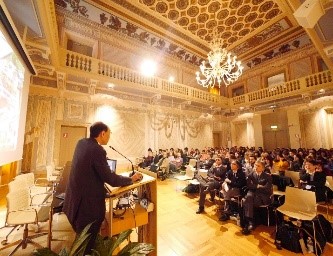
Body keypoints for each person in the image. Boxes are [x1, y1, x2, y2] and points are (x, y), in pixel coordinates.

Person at [63, 122, 142, 255]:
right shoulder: (97, 150)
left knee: (81, 241)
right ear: (102, 133)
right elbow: (110, 179)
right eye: (109, 134)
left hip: (74, 202)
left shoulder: (81, 143)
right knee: (86, 245)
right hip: (87, 208)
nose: (109, 137)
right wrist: (131, 179)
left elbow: (91, 170)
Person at [242, 160, 272, 234]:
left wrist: (256, 187)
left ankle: (250, 221)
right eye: (255, 165)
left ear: (263, 168)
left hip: (262, 194)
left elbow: (267, 188)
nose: (256, 167)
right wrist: (258, 186)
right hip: (252, 192)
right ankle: (250, 221)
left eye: (258, 166)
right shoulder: (251, 174)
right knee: (248, 197)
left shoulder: (267, 176)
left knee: (249, 202)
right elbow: (249, 185)